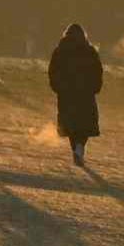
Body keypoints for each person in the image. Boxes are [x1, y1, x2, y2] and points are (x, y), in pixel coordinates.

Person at [47, 22, 105, 167]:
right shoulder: (90, 51)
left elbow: (53, 71)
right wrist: (95, 87)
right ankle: (79, 149)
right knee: (84, 125)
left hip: (67, 95)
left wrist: (58, 87)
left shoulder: (60, 51)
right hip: (86, 94)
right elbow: (97, 71)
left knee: (71, 125)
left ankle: (76, 150)